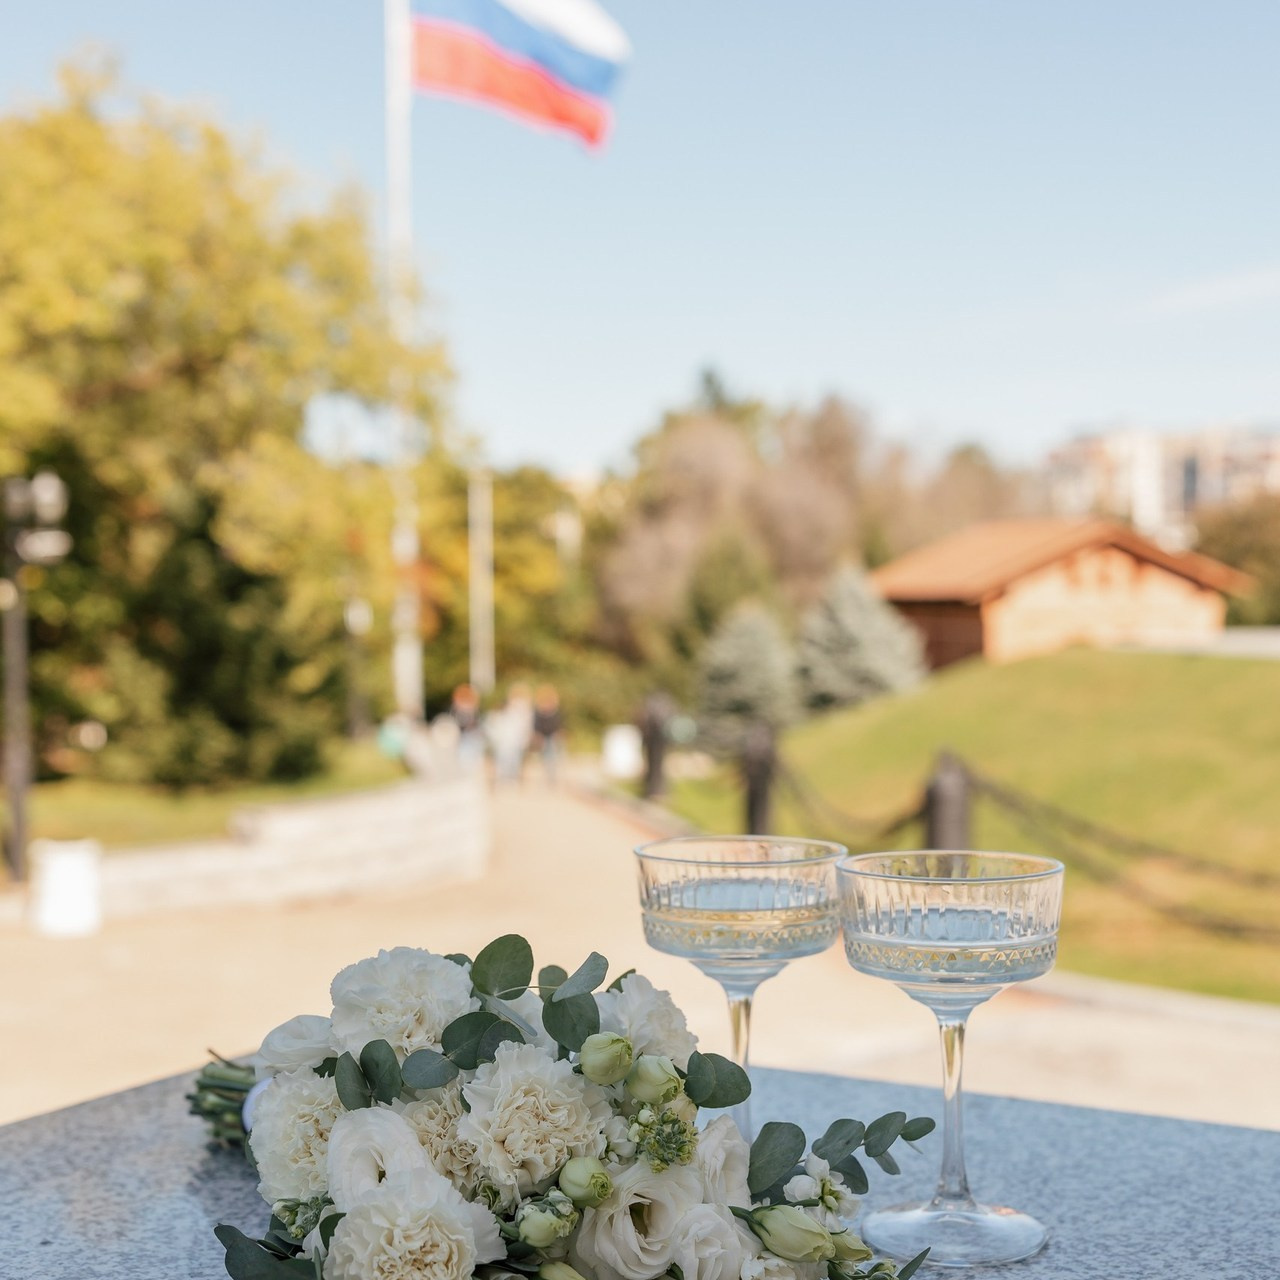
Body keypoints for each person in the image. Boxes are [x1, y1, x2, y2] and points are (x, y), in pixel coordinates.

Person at [490, 682, 533, 783]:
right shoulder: (504, 711)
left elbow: (525, 727)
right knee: (505, 760)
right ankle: (504, 779)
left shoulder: (524, 712)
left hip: (515, 740)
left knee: (514, 760)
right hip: (506, 740)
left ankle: (511, 778)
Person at [531, 684, 564, 785]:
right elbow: (536, 725)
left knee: (553, 756)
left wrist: (560, 733)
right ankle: (547, 775)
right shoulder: (538, 712)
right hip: (543, 737)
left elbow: (560, 724)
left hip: (552, 737)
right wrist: (537, 735)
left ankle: (551, 776)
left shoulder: (556, 712)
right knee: (545, 756)